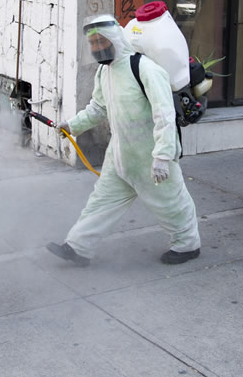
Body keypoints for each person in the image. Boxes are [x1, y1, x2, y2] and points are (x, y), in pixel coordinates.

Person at [46, 14, 201, 266]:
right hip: (120, 158)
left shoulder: (145, 69)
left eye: (101, 41)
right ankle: (78, 247)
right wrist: (73, 125)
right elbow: (98, 107)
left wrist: (162, 156)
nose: (97, 48)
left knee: (171, 203)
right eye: (93, 43)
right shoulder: (104, 73)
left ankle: (187, 245)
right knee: (100, 204)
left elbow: (165, 115)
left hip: (151, 158)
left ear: (115, 39)